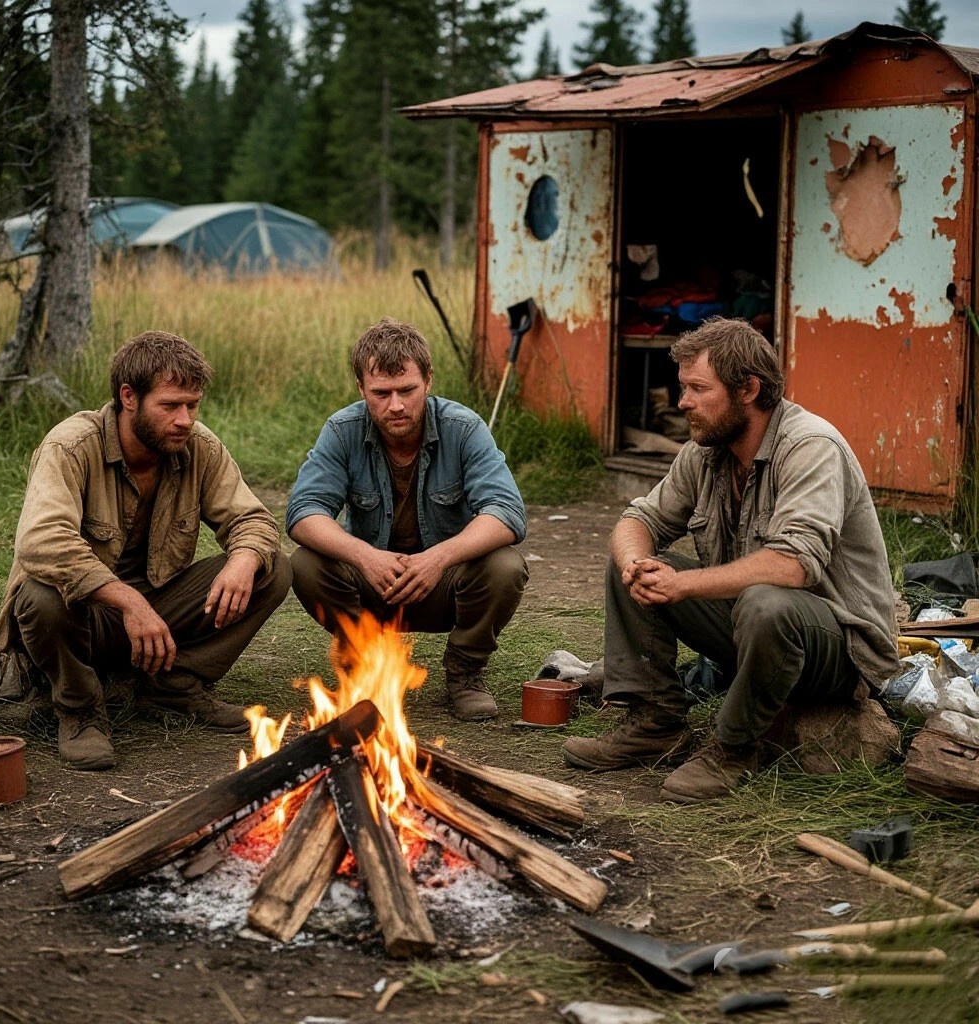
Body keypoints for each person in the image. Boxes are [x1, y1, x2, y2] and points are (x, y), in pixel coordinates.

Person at [562, 317, 901, 803]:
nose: (683, 403)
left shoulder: (810, 446)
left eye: (698, 389)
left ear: (748, 389)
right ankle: (655, 722)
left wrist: (683, 585)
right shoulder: (707, 451)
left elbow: (794, 566)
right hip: (752, 627)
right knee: (635, 569)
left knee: (766, 601)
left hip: (839, 649)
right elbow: (638, 519)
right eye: (683, 388)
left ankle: (735, 748)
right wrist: (639, 564)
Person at [0, 331, 293, 771]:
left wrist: (244, 560)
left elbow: (252, 520)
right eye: (170, 405)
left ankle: (172, 686)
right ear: (128, 397)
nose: (185, 419)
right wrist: (128, 601)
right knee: (41, 594)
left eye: (192, 405)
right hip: (86, 616)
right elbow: (42, 541)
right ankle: (78, 709)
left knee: (272, 570)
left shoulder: (198, 446)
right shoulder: (72, 445)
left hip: (157, 612)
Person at [287, 317, 528, 720]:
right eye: (381, 393)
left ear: (429, 380)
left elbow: (506, 513)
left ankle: (465, 671)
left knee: (505, 566)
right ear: (361, 388)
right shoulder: (342, 430)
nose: (395, 405)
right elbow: (304, 511)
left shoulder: (464, 428)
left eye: (407, 390)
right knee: (304, 563)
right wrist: (365, 556)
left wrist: (439, 558)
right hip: (374, 583)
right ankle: (367, 664)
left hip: (443, 586)